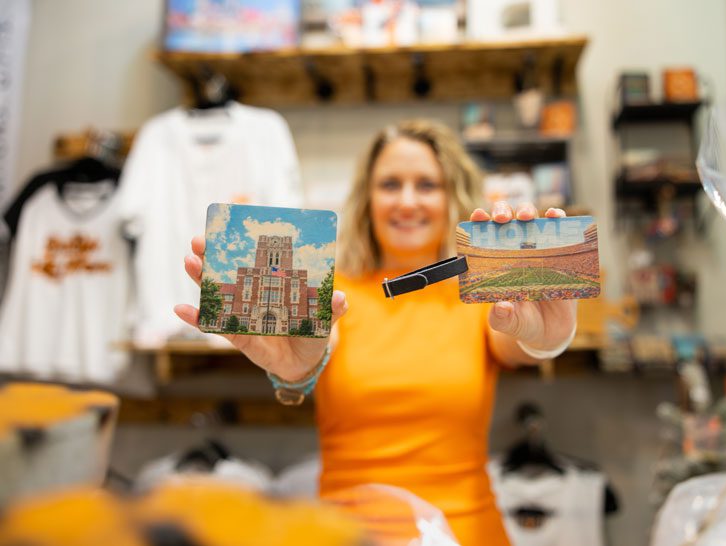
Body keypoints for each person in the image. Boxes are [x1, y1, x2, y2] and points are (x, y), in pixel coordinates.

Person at [174, 119, 577, 545]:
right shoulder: (328, 288)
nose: (406, 201)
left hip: (465, 533)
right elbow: (312, 354)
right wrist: (292, 372)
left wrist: (549, 339)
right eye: (389, 184)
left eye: (426, 185)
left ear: (451, 194)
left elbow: (521, 342)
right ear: (367, 198)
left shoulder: (476, 292)